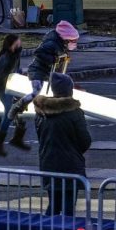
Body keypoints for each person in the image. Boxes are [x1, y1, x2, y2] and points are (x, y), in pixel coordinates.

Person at [33, 73, 91, 216]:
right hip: (70, 165)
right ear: (69, 90)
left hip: (48, 163)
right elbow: (85, 141)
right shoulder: (74, 113)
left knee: (53, 204)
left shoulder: (41, 113)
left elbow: (41, 138)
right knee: (68, 206)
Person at [8, 20, 79, 129]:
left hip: (49, 72)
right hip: (38, 70)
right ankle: (16, 107)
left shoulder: (61, 44)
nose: (75, 43)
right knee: (36, 91)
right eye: (74, 40)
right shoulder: (52, 44)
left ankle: (48, 114)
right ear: (66, 38)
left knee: (53, 92)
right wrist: (53, 59)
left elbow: (59, 59)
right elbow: (38, 53)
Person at [0, 35, 26, 157]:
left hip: (13, 88)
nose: (21, 43)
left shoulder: (15, 54)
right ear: (13, 44)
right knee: (9, 113)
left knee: (21, 110)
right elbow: (0, 78)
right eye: (19, 42)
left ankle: (17, 138)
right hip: (4, 90)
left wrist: (21, 74)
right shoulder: (6, 58)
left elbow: (15, 70)